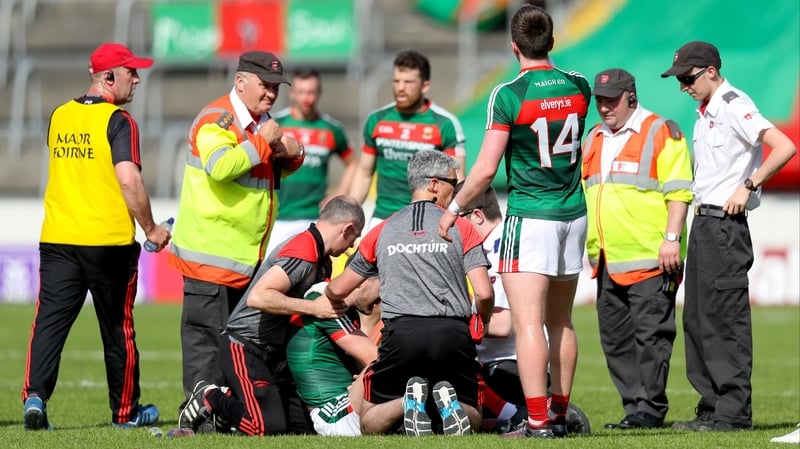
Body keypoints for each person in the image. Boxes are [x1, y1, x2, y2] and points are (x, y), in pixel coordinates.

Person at [438, 4, 590, 439]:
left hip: (531, 214)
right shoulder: (580, 86)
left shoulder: (507, 94)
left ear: (513, 46)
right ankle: (558, 416)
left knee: (528, 324)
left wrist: (452, 210)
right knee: (561, 321)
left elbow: (485, 169)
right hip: (572, 213)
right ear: (552, 42)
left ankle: (538, 420)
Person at [22, 42, 170, 430]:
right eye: (130, 72)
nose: (137, 79)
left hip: (58, 237)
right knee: (117, 330)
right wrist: (152, 228)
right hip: (107, 242)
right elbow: (127, 178)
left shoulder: (59, 115)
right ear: (108, 77)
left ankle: (35, 397)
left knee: (49, 323)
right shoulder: (119, 121)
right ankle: (125, 414)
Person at [661, 41, 797, 432]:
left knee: (725, 319)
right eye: (679, 80)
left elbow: (784, 146)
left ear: (710, 72)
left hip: (725, 224)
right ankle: (711, 408)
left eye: (688, 78)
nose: (683, 86)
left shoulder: (734, 103)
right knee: (698, 319)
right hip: (704, 224)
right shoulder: (704, 112)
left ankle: (733, 413)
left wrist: (749, 185)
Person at [168, 51, 305, 413]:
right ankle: (196, 412)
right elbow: (220, 166)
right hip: (210, 255)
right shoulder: (218, 119)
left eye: (276, 87)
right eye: (265, 85)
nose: (272, 94)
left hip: (242, 258)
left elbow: (272, 169)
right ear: (240, 82)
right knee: (207, 346)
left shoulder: (260, 123)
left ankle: (223, 412)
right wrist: (266, 142)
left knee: (235, 344)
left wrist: (295, 152)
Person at [327, 150, 494, 436]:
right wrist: (483, 320)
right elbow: (484, 293)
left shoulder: (382, 230)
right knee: (475, 414)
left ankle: (408, 402)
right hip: (452, 334)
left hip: (400, 335)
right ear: (434, 185)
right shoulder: (462, 227)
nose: (457, 193)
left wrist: (331, 300)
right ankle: (448, 404)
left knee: (369, 423)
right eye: (453, 184)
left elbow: (339, 287)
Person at [178, 195, 365, 436]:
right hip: (246, 347)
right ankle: (210, 396)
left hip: (275, 355)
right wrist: (312, 308)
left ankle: (231, 411)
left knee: (305, 427)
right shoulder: (303, 251)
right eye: (354, 237)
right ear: (347, 228)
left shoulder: (322, 259)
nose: (351, 246)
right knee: (265, 427)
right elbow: (259, 297)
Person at [581, 68, 694, 430]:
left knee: (651, 338)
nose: (604, 107)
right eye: (599, 101)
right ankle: (635, 409)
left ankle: (649, 408)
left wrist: (672, 239)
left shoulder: (662, 131)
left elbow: (679, 191)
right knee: (614, 340)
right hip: (608, 259)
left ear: (631, 96)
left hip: (652, 256)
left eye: (611, 100)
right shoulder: (594, 136)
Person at [458, 184, 591, 436]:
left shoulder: (498, 249)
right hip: (506, 364)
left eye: (457, 218)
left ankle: (530, 415)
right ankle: (548, 410)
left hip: (506, 367)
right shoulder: (490, 245)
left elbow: (503, 324)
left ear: (476, 216)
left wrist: (452, 325)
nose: (453, 227)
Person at [349, 49, 467, 230]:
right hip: (383, 218)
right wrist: (350, 214)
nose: (400, 87)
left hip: (427, 220)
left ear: (425, 86)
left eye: (408, 82)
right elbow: (364, 173)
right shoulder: (377, 120)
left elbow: (458, 180)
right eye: (396, 81)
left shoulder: (446, 124)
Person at [267, 69, 358, 256]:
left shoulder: (331, 129)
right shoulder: (276, 124)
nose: (306, 98)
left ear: (319, 93)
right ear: (292, 93)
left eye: (311, 92)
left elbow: (353, 163)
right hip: (278, 216)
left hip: (315, 217)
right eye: (300, 92)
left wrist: (339, 193)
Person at [285, 277, 380, 436]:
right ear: (362, 281)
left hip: (347, 403)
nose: (381, 301)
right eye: (382, 287)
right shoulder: (327, 306)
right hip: (333, 413)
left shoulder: (347, 311)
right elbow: (376, 358)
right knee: (396, 359)